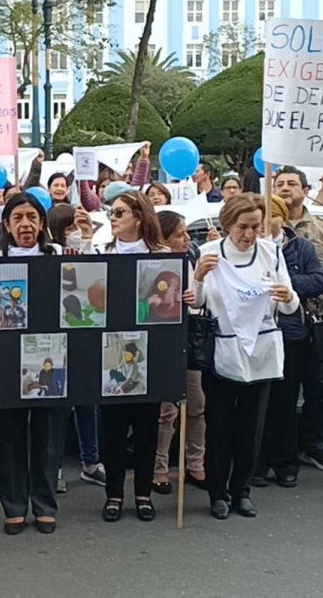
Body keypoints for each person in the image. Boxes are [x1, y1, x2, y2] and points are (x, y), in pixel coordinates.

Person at [192, 194, 299, 520]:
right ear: (227, 225)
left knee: (252, 429)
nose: (249, 234)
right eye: (243, 227)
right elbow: (195, 304)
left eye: (255, 226)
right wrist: (197, 277)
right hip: (224, 350)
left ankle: (242, 490)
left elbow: (290, 305)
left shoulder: (271, 253)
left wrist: (287, 296)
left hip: (262, 351)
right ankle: (217, 493)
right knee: (219, 427)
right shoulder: (209, 254)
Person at [0, 194, 63, 534]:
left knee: (47, 435)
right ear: (7, 224)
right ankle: (14, 506)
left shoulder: (56, 255)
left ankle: (45, 504)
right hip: (6, 357)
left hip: (50, 354)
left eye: (32, 217)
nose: (26, 225)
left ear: (42, 223)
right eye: (18, 218)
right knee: (11, 434)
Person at [99, 190, 173, 523]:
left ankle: (143, 493)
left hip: (150, 351)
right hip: (111, 349)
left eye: (118, 213)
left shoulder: (163, 255)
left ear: (138, 217)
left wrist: (184, 292)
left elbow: (169, 302)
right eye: (111, 213)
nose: (112, 219)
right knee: (112, 430)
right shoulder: (100, 251)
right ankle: (114, 493)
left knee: (147, 427)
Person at [272, 167, 323, 472]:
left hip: (312, 323)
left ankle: (315, 445)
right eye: (279, 184)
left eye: (291, 184)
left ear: (306, 188)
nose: (286, 188)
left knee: (316, 389)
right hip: (274, 324)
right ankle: (280, 452)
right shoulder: (263, 228)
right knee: (281, 394)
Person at [254, 197, 323, 488]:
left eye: (270, 215)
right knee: (259, 404)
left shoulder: (301, 248)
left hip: (291, 334)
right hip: (257, 334)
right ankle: (257, 463)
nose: (262, 222)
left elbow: (318, 280)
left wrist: (285, 284)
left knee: (285, 403)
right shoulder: (249, 249)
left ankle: (286, 462)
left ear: (281, 219)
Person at [153, 211, 207, 493]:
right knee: (166, 411)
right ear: (163, 238)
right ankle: (159, 467)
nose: (187, 238)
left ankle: (196, 463)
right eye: (180, 234)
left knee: (196, 404)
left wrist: (195, 288)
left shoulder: (189, 260)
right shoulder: (153, 263)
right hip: (163, 343)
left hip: (188, 339)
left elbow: (200, 299)